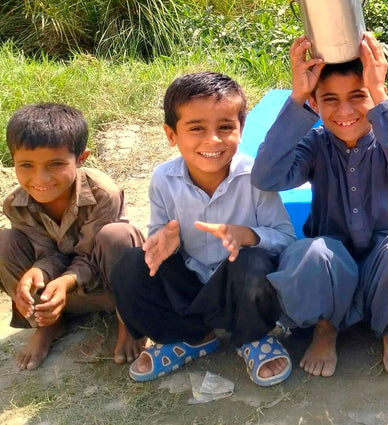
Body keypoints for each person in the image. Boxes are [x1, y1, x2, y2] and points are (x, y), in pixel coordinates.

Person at [251, 33, 388, 378]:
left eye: (359, 96)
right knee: (307, 253)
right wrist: (297, 99)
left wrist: (380, 94)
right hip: (331, 270)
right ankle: (326, 329)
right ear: (316, 103)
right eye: (330, 100)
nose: (345, 111)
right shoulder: (316, 143)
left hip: (385, 270)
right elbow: (266, 177)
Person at [110, 72, 296, 385]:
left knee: (254, 260)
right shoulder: (163, 180)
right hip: (191, 287)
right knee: (130, 265)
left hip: (241, 290)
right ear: (171, 134)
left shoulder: (255, 178)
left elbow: (286, 240)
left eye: (225, 127)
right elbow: (158, 240)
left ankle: (251, 337)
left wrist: (248, 235)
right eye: (196, 128)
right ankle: (192, 337)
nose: (213, 140)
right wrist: (165, 240)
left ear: (241, 130)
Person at [1, 103, 144, 370]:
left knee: (118, 235)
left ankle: (131, 322)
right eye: (26, 165)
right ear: (13, 162)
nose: (39, 178)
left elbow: (90, 255)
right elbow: (46, 253)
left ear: (81, 158)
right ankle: (47, 324)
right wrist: (38, 273)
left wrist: (66, 281)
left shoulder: (103, 193)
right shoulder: (15, 204)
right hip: (61, 299)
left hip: (109, 288)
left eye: (55, 164)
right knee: (3, 242)